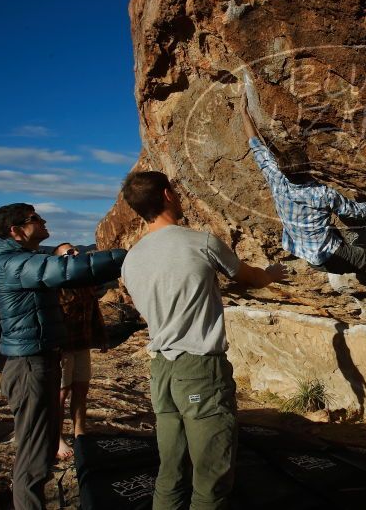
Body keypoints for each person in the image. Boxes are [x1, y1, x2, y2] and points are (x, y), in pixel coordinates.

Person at [120, 171, 287, 509]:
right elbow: (248, 277)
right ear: (167, 195)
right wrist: (270, 274)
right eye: (176, 193)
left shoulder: (131, 259)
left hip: (161, 371)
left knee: (171, 472)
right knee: (212, 476)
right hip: (198, 368)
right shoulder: (200, 243)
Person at [239, 92, 366, 303]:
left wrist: (244, 113)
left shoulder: (276, 178)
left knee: (347, 249)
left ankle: (359, 269)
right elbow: (358, 213)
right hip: (329, 255)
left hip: (305, 252)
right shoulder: (322, 194)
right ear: (309, 169)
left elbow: (255, 144)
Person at [0, 203, 126, 510]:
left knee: (43, 447)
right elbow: (70, 270)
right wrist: (128, 255)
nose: (44, 219)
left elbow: (55, 260)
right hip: (28, 366)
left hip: (41, 360)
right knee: (34, 456)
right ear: (17, 230)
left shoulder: (21, 257)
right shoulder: (12, 263)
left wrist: (57, 249)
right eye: (35, 218)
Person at [52, 242, 108, 460]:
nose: (76, 253)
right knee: (61, 393)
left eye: (76, 250)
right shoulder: (55, 284)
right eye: (69, 252)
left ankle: (80, 432)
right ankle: (56, 438)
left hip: (82, 344)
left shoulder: (85, 282)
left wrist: (101, 337)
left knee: (81, 389)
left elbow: (95, 310)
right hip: (63, 348)